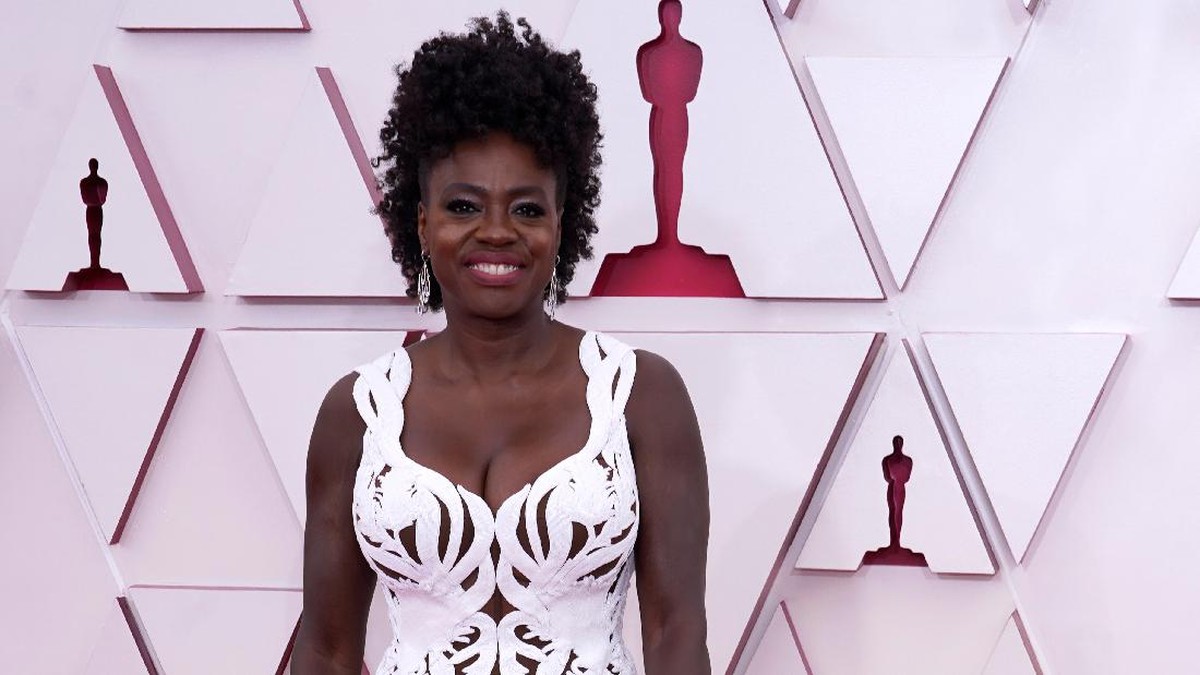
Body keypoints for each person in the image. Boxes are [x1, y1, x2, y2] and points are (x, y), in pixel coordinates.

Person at [291, 12, 711, 675]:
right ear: (420, 222)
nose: (496, 231)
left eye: (526, 208)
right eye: (463, 206)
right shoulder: (357, 411)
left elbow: (676, 633)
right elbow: (326, 648)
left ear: (561, 224)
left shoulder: (640, 395)